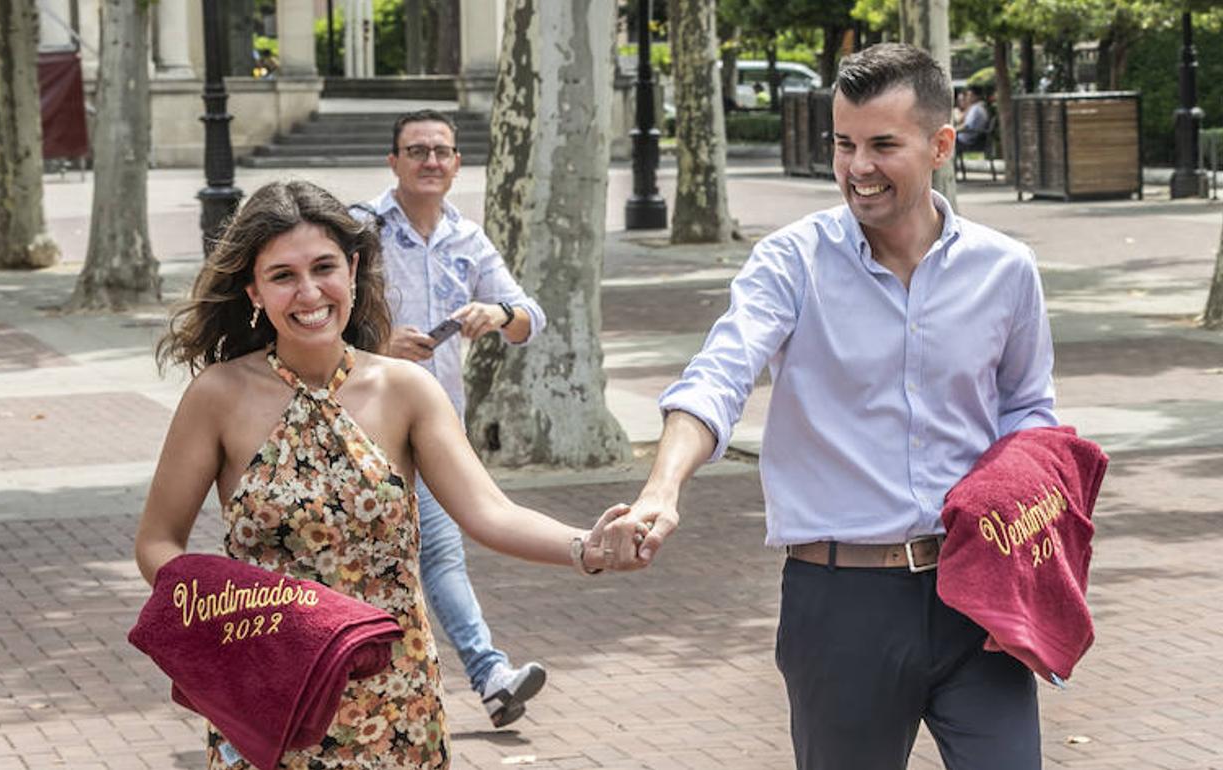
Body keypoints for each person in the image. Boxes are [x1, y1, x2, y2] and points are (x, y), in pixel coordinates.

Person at [606, 43, 1058, 770]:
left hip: (978, 599)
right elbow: (718, 376)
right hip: (841, 599)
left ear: (941, 144)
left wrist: (1025, 575)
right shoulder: (793, 260)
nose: (857, 167)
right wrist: (662, 488)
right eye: (844, 144)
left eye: (883, 144)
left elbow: (1031, 418)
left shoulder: (1006, 269)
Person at [135, 180, 632, 770]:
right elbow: (157, 543)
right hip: (272, 690)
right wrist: (244, 609)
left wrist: (586, 547)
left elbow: (489, 513)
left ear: (352, 270)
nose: (309, 292)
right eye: (283, 275)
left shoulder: (406, 389)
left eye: (324, 267)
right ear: (253, 291)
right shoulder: (217, 395)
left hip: (394, 696)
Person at [352, 109, 550, 729]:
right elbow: (323, 319)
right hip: (361, 424)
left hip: (436, 431)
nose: (431, 161)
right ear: (393, 161)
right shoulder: (361, 229)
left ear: (457, 163)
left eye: (441, 151)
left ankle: (491, 676)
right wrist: (379, 342)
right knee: (356, 560)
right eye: (417, 150)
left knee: (440, 553)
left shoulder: (468, 237)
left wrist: (496, 313)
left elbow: (529, 316)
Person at [955, 85, 989, 152]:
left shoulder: (976, 109)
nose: (967, 98)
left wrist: (954, 130)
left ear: (976, 96)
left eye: (969, 95)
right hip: (973, 137)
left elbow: (966, 126)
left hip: (968, 139)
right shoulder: (978, 107)